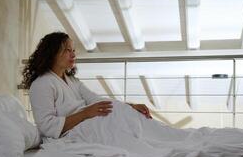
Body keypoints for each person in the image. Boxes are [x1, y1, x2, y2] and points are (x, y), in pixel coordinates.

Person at [22, 32, 152, 139]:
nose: (73, 54)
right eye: (67, 50)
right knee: (124, 129)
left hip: (90, 123)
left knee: (129, 115)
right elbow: (47, 127)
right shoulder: (41, 85)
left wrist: (130, 106)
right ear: (52, 53)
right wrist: (86, 113)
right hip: (76, 132)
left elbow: (97, 101)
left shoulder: (73, 81)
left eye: (73, 50)